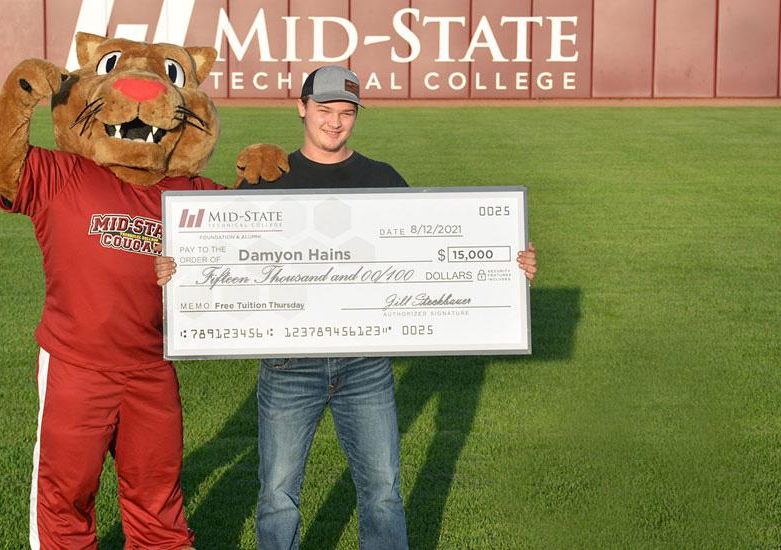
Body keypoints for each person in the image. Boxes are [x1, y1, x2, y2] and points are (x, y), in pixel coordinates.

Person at [156, 65, 537, 549]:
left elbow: (433, 254)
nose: (334, 122)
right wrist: (178, 270)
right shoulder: (269, 177)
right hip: (288, 363)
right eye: (324, 110)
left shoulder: (382, 178)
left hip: (365, 364)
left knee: (382, 492)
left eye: (345, 112)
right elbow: (225, 257)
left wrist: (509, 265)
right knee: (277, 493)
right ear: (302, 108)